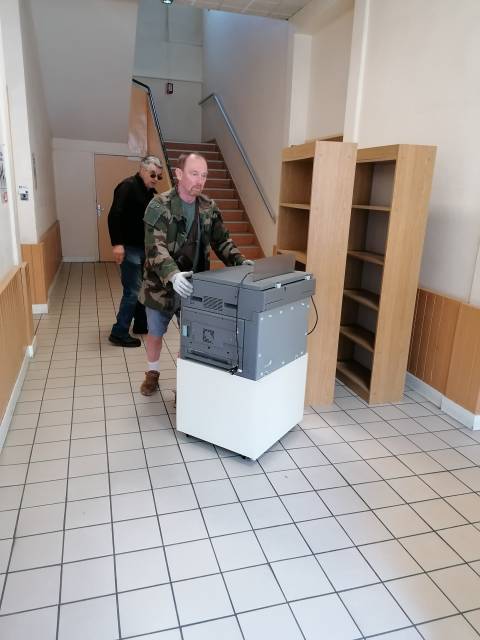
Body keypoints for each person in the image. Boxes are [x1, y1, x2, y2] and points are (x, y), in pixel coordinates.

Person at [139, 152, 253, 396]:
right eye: (194, 174)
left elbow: (222, 241)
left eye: (204, 175)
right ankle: (152, 373)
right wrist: (172, 274)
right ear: (179, 174)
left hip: (194, 286)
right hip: (160, 286)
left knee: (191, 338)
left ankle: (186, 387)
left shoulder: (208, 208)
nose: (200, 180)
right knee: (155, 334)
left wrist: (240, 262)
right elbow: (154, 247)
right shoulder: (159, 205)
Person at [108, 156, 163, 348]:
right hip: (129, 247)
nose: (156, 179)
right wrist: (117, 244)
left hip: (143, 248)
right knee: (132, 290)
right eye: (153, 174)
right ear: (142, 170)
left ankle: (140, 324)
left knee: (143, 288)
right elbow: (114, 215)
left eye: (159, 176)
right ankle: (119, 332)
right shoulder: (127, 186)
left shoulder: (149, 193)